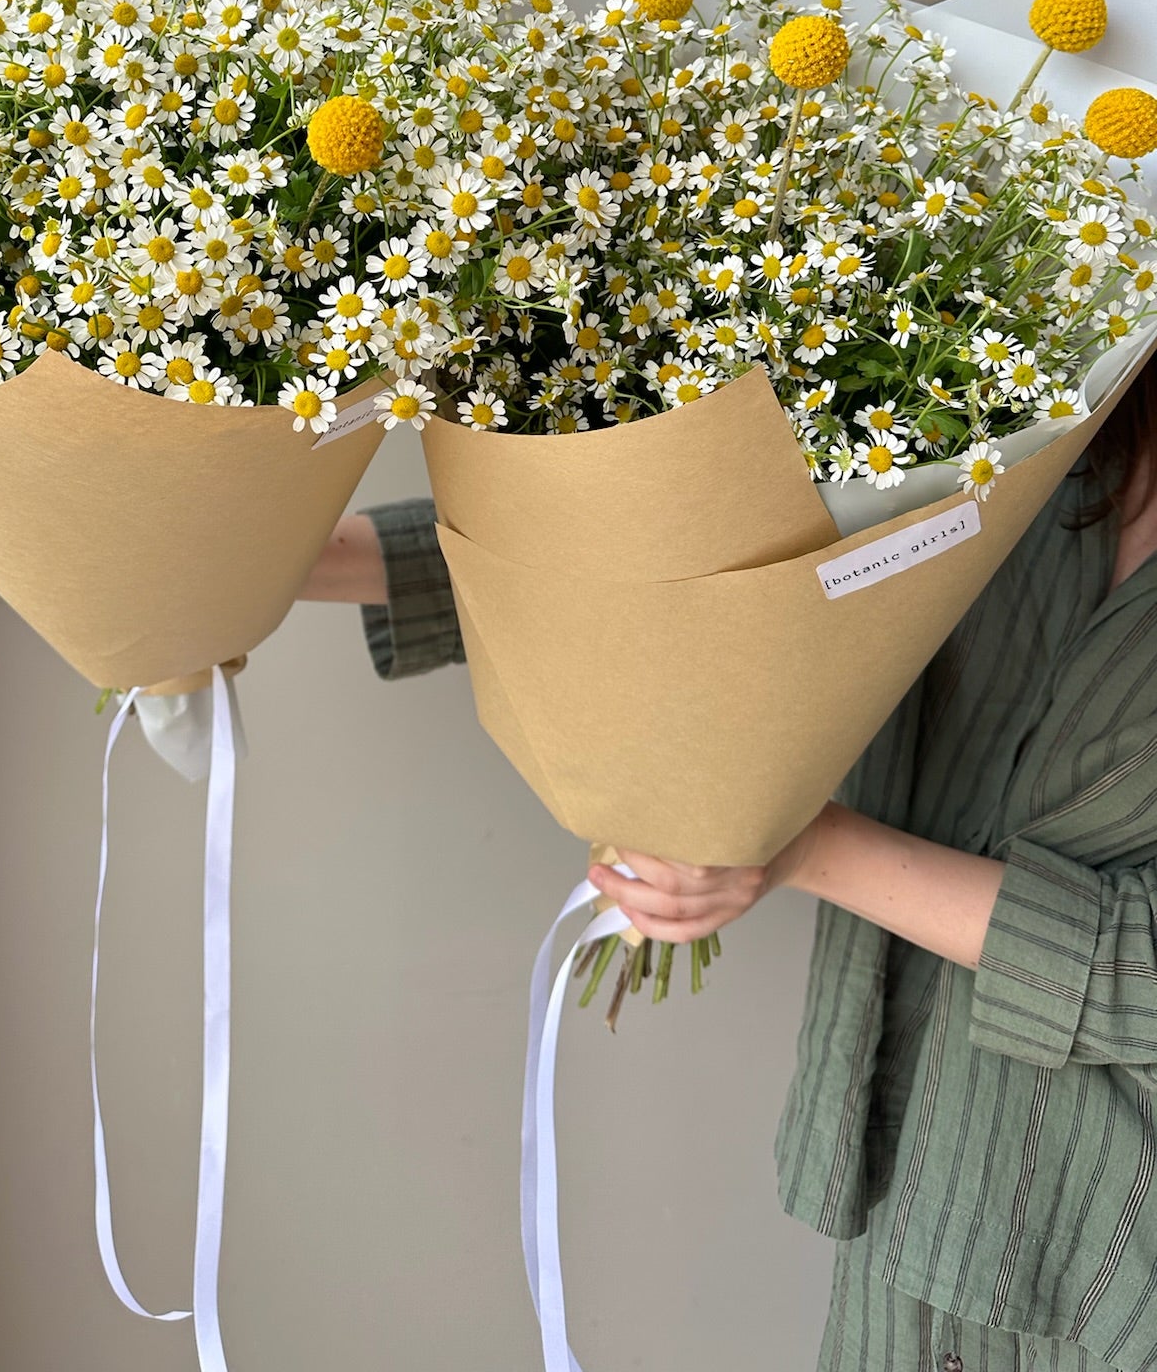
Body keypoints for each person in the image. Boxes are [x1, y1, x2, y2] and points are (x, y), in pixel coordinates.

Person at [300, 372, 1157, 1372]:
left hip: (1108, 1265)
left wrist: (806, 845)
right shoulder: (1038, 397)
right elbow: (733, 572)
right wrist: (251, 556)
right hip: (903, 1206)